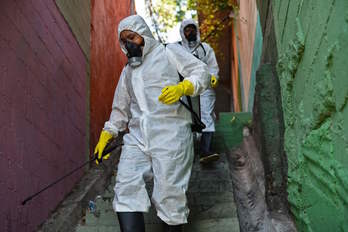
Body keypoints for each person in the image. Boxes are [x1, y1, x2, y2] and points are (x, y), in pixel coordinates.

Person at [93, 15, 210, 232]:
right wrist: (107, 135)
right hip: (137, 140)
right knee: (126, 188)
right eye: (124, 40)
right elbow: (120, 110)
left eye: (132, 37)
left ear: (143, 34)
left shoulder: (168, 52)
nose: (128, 44)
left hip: (171, 137)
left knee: (169, 195)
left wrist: (183, 88)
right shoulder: (127, 72)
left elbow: (201, 73)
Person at [178, 19, 220, 164]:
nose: (190, 32)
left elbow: (213, 66)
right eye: (187, 30)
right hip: (186, 89)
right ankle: (186, 151)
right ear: (182, 33)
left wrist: (213, 77)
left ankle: (205, 151)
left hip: (204, 88)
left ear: (197, 30)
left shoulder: (205, 48)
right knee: (186, 117)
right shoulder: (179, 50)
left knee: (206, 115)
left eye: (192, 29)